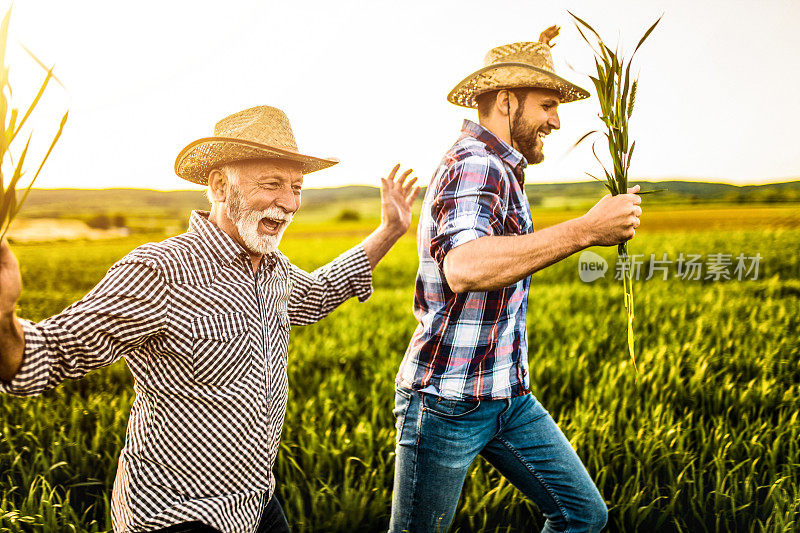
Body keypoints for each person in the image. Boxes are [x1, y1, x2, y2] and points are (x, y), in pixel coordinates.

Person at [0, 105, 419, 533]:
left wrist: (389, 230)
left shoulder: (273, 269)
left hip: (255, 501)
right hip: (176, 515)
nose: (290, 203)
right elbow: (47, 354)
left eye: (297, 188)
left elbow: (319, 292)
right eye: (273, 184)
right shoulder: (160, 271)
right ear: (220, 185)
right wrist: (4, 316)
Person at [390, 26, 642, 532]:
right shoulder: (474, 164)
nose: (556, 119)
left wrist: (538, 51)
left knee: (583, 515)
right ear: (505, 101)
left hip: (507, 395)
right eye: (547, 104)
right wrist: (587, 229)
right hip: (447, 401)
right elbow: (464, 267)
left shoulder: (500, 167)